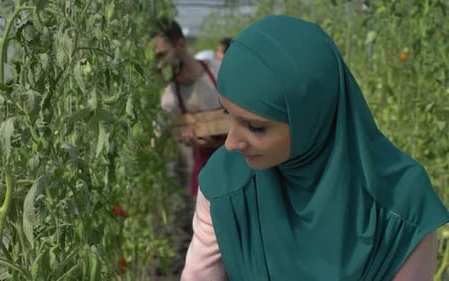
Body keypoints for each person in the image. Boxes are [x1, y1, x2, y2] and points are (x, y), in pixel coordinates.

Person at [181, 15, 449, 280]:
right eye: (227, 113)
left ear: (312, 117)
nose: (230, 144)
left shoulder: (400, 205)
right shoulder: (224, 185)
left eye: (255, 127)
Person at [152, 18, 225, 197]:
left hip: (246, 162)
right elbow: (156, 135)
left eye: (162, 55)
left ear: (181, 44)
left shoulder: (219, 71)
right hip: (210, 175)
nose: (159, 65)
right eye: (155, 59)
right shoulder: (171, 97)